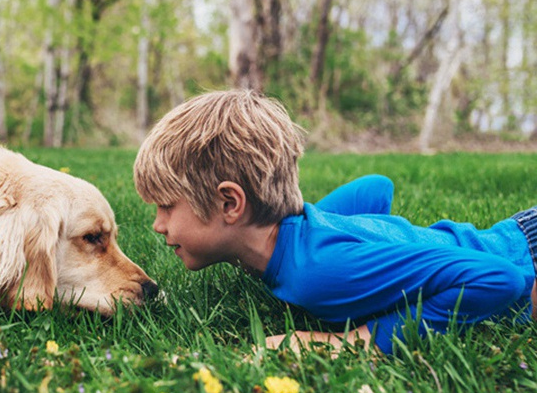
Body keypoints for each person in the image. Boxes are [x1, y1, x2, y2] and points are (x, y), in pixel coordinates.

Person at [133, 89, 537, 355]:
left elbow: (501, 280)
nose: (157, 224)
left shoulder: (319, 272)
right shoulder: (299, 247)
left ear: (230, 204)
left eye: (167, 206)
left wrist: (353, 342)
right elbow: (374, 189)